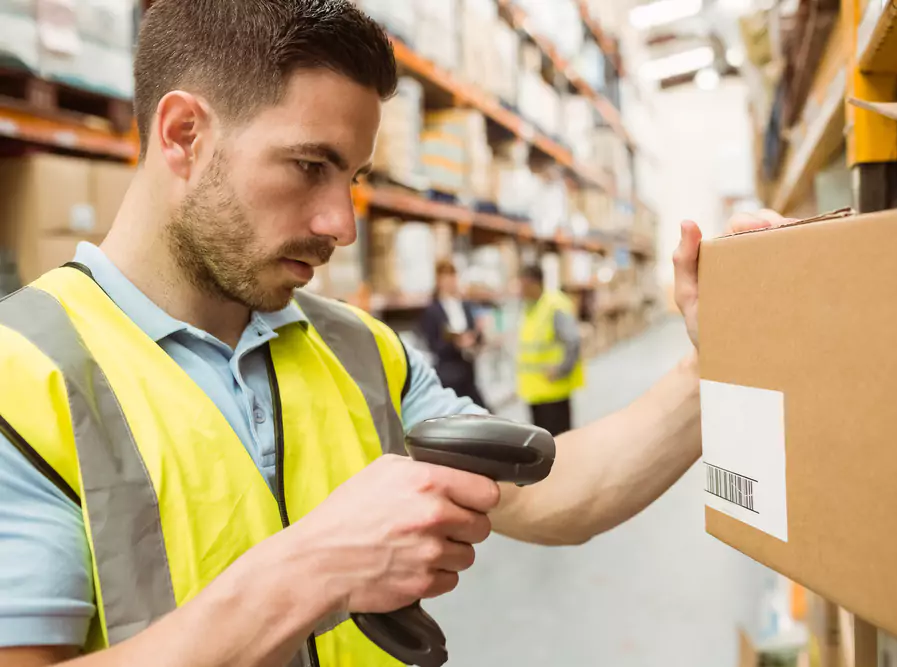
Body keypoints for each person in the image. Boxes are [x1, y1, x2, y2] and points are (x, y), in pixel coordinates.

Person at [0, 2, 785, 665]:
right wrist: (311, 572)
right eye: (310, 165)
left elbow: (560, 494)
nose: (341, 224)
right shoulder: (23, 378)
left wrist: (709, 363)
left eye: (354, 178)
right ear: (182, 134)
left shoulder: (359, 350)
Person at [515, 265, 584, 436]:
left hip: (554, 392)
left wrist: (561, 369)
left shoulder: (554, 306)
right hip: (535, 392)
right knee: (542, 443)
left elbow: (573, 341)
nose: (520, 289)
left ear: (534, 283)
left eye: (523, 284)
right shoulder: (529, 308)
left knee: (560, 443)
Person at [419, 260, 488, 409]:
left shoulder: (465, 305)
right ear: (438, 281)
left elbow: (478, 336)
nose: (450, 281)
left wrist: (477, 334)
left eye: (452, 276)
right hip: (448, 374)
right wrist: (456, 343)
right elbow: (433, 344)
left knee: (482, 412)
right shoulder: (432, 311)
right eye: (445, 277)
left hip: (468, 371)